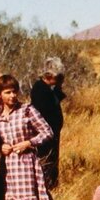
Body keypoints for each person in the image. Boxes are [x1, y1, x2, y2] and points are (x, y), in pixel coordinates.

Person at [30, 57, 65, 189]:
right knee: (46, 160)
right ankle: (47, 186)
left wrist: (58, 86)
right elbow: (44, 112)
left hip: (52, 132)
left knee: (53, 160)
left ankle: (52, 184)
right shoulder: (40, 89)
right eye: (58, 76)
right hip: (45, 133)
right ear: (49, 75)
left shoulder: (48, 88)